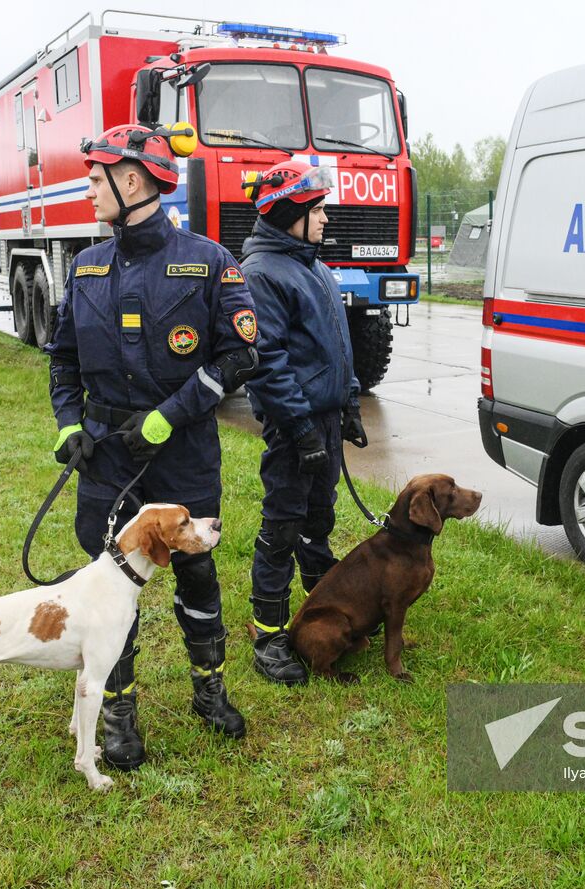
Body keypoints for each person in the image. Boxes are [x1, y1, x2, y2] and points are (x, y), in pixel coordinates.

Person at [45, 123, 260, 768]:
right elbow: (62, 362)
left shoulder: (210, 262)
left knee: (196, 569)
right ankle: (118, 712)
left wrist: (170, 416)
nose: (87, 189)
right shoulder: (85, 267)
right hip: (108, 455)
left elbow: (241, 352)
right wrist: (69, 426)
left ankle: (209, 689)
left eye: (94, 178)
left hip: (183, 453)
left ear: (131, 180)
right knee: (112, 583)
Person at [239, 159, 368, 686]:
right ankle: (269, 633)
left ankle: (326, 608)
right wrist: (299, 430)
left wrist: (351, 403)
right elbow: (267, 362)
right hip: (296, 427)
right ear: (289, 211)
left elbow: (338, 345)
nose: (325, 219)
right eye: (317, 210)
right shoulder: (262, 273)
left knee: (320, 518)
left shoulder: (314, 265)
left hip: (325, 419)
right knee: (282, 526)